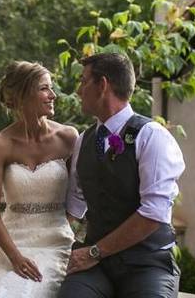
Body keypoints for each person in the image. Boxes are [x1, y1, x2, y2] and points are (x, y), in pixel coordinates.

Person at [60, 52, 185, 298]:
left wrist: (94, 252)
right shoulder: (83, 141)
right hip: (96, 266)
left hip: (147, 263)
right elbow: (74, 207)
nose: (78, 90)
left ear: (103, 85)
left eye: (84, 81)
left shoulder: (152, 136)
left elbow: (154, 213)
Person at [0, 61, 79, 298]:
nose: (53, 95)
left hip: (55, 244)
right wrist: (14, 257)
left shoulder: (68, 137)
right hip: (11, 245)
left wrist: (59, 225)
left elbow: (79, 195)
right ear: (23, 94)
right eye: (44, 88)